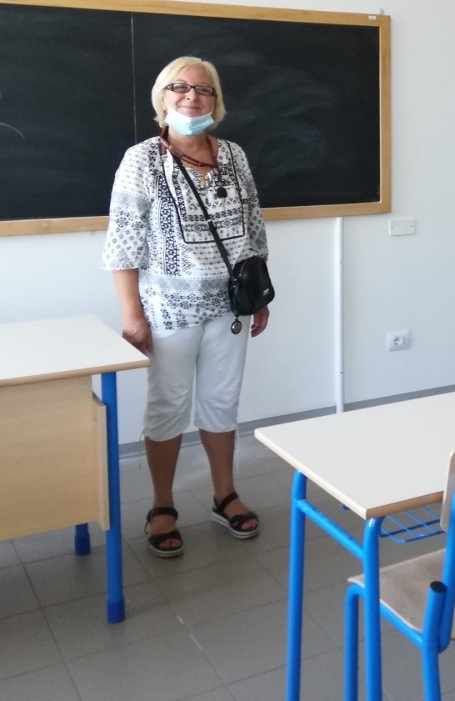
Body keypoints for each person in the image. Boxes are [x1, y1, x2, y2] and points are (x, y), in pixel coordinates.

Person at [104, 56, 270, 558]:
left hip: (231, 306)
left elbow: (253, 225)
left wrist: (261, 293)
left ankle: (225, 495)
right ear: (162, 97)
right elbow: (123, 243)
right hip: (168, 310)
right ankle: (162, 505)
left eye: (204, 89)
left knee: (222, 401)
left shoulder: (234, 155)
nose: (192, 97)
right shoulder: (142, 160)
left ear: (216, 101)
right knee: (168, 405)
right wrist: (132, 316)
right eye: (179, 87)